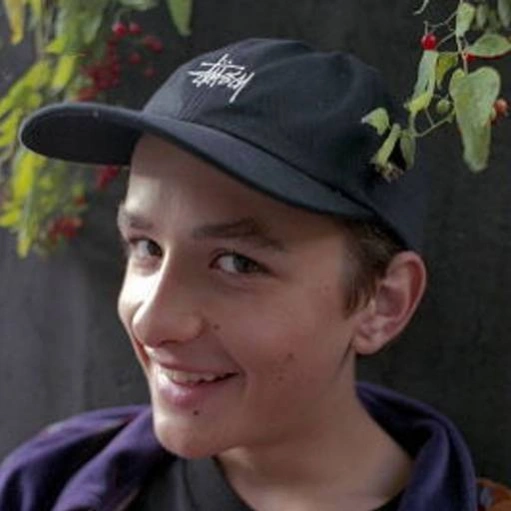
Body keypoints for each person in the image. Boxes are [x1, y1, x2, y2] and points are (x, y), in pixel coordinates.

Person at [0, 38, 508, 511]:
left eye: (236, 262)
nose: (152, 323)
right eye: (147, 247)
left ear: (382, 303)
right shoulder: (40, 486)